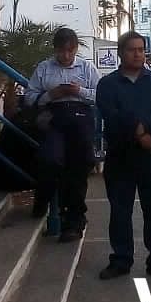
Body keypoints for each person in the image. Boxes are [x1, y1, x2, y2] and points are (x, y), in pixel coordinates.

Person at [96, 31, 151, 281]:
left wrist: (144, 128)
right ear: (121, 53)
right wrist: (137, 131)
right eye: (132, 49)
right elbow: (110, 114)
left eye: (141, 49)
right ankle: (121, 259)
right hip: (120, 156)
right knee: (120, 211)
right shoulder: (108, 84)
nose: (137, 54)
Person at [26, 27, 100, 242]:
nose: (66, 56)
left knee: (80, 162)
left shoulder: (86, 67)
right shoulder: (44, 68)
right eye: (61, 51)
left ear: (75, 49)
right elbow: (30, 97)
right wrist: (50, 94)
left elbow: (101, 94)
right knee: (50, 159)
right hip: (54, 116)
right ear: (55, 49)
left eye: (70, 51)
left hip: (80, 114)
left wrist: (79, 91)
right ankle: (45, 197)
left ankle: (74, 219)